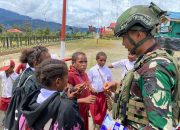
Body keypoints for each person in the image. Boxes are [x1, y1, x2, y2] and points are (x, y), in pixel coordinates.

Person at [103, 2, 178, 129]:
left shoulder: (154, 67)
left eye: (124, 37)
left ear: (139, 34)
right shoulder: (148, 61)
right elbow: (142, 94)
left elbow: (159, 127)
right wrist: (118, 87)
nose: (122, 43)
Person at [19, 59, 84, 130]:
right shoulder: (67, 107)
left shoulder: (29, 101)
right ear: (58, 82)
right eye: (66, 78)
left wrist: (67, 99)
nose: (67, 81)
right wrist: (71, 103)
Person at [4, 46, 51, 130]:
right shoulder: (35, 81)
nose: (51, 63)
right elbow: (35, 108)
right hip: (26, 123)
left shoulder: (23, 74)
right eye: (48, 61)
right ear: (36, 63)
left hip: (16, 119)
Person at [68, 51, 96, 130]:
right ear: (73, 63)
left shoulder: (84, 74)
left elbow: (86, 89)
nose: (84, 64)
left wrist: (87, 108)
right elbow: (67, 98)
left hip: (84, 110)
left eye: (85, 62)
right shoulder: (70, 75)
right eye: (80, 62)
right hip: (75, 112)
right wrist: (84, 100)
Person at [88, 51, 112, 129]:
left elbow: (109, 82)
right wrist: (91, 88)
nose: (103, 62)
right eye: (101, 60)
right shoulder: (92, 70)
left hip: (103, 95)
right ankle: (94, 126)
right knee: (94, 112)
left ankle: (100, 127)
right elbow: (88, 82)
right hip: (93, 95)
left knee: (102, 112)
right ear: (97, 60)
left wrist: (108, 90)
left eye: (104, 60)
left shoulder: (108, 70)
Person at [0, 60, 18, 125]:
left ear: (13, 67)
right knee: (4, 110)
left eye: (7, 69)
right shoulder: (2, 73)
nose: (6, 70)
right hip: (3, 96)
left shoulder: (16, 76)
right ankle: (6, 119)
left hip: (11, 97)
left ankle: (11, 120)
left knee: (11, 110)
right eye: (5, 68)